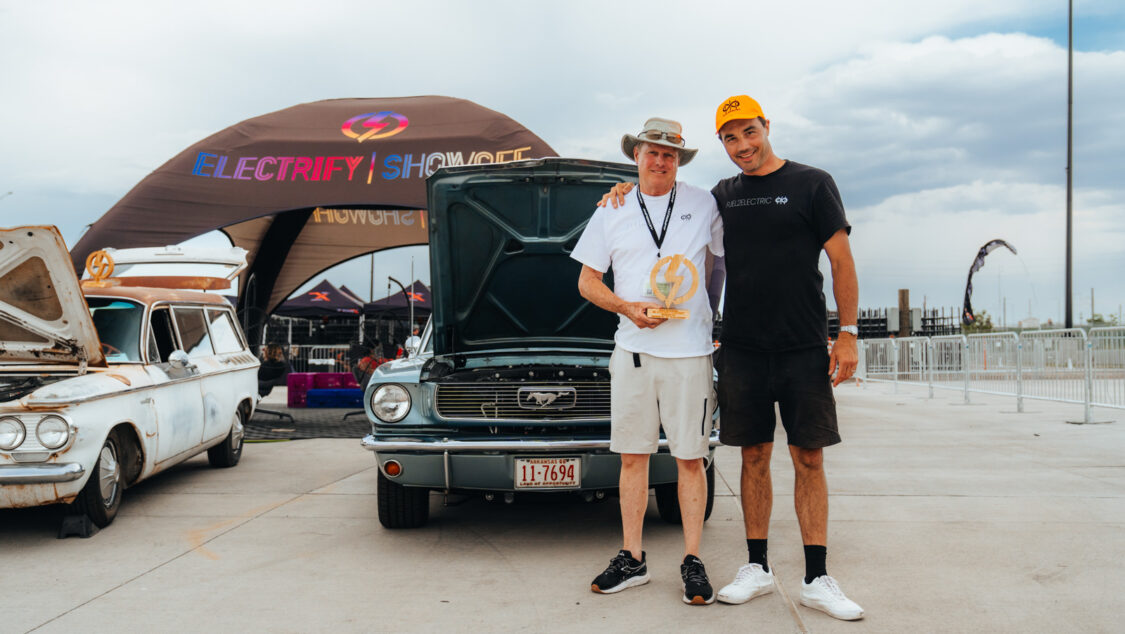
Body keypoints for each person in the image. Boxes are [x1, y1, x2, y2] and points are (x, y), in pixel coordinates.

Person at [600, 95, 863, 620]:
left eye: (748, 132)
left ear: (766, 127)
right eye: (730, 138)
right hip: (741, 347)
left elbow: (840, 259)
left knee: (809, 457)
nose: (742, 145)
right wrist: (625, 191)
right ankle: (757, 567)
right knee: (753, 456)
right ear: (721, 144)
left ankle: (817, 577)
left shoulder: (813, 183)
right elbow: (668, 207)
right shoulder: (722, 195)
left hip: (803, 343)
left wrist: (848, 332)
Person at [572, 117, 724, 605]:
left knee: (689, 459)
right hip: (633, 350)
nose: (660, 161)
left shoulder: (703, 203)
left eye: (670, 154)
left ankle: (693, 561)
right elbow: (587, 282)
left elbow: (725, 262)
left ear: (679, 160)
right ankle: (632, 558)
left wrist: (718, 320)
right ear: (635, 155)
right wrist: (627, 307)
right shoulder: (611, 208)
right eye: (651, 152)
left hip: (690, 352)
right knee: (633, 457)